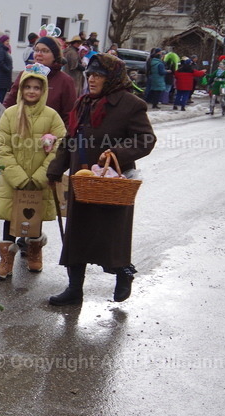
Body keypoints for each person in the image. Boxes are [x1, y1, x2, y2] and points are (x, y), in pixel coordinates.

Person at [46, 54, 156, 305]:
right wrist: (56, 168)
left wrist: (117, 152)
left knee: (110, 236)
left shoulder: (131, 104)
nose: (92, 79)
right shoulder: (83, 103)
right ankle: (74, 290)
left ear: (112, 77)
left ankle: (123, 274)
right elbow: (70, 139)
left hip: (111, 183)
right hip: (82, 180)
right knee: (78, 235)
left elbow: (146, 139)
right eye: (90, 75)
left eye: (98, 75)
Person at [0, 67, 67, 279]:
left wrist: (43, 175)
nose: (32, 91)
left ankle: (34, 251)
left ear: (43, 91)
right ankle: (6, 260)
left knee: (35, 215)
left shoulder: (51, 116)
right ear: (21, 89)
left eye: (37, 88)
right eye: (28, 87)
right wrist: (18, 177)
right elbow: (2, 147)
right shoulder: (10, 114)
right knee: (9, 217)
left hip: (39, 180)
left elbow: (61, 144)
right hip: (13, 180)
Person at [3, 36, 78, 123]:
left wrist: (61, 135)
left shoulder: (65, 81)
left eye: (45, 51)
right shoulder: (24, 74)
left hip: (50, 134)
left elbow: (69, 116)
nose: (38, 54)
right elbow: (11, 100)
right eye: (36, 50)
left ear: (55, 56)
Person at [0, 34, 14, 104]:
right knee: (1, 93)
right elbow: (0, 61)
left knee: (2, 92)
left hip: (4, 75)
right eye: (6, 41)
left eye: (8, 41)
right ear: (3, 41)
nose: (8, 42)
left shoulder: (3, 49)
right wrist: (7, 69)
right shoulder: (1, 50)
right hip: (2, 75)